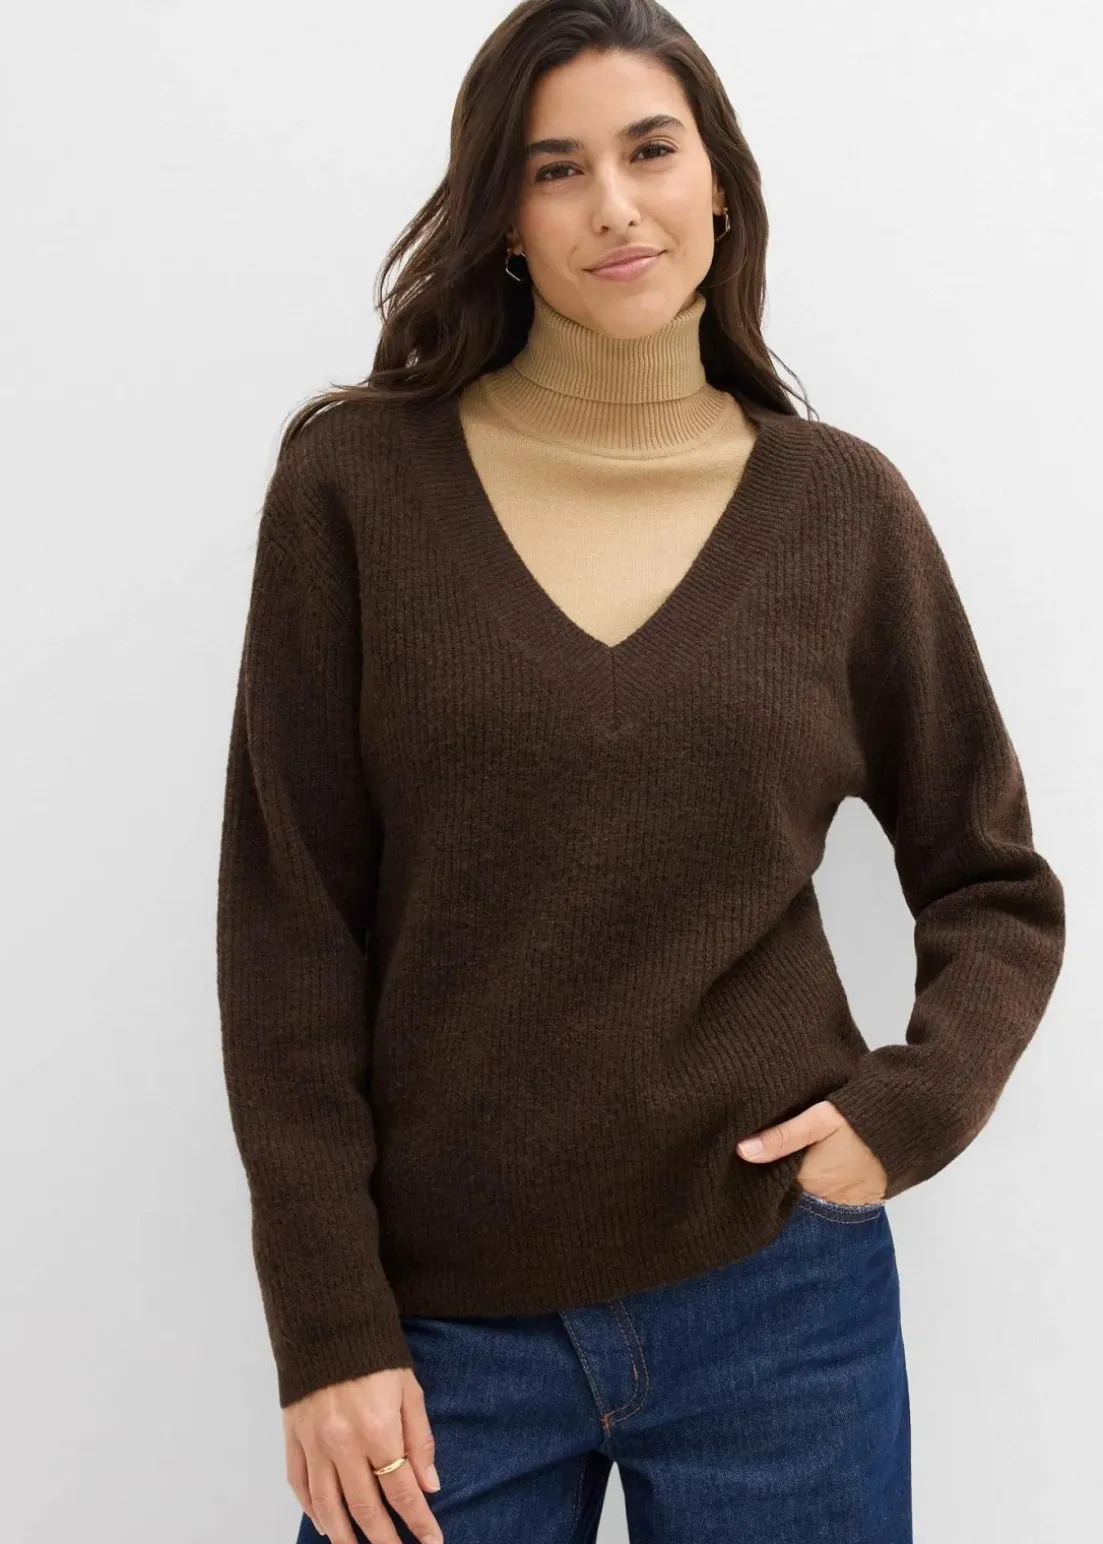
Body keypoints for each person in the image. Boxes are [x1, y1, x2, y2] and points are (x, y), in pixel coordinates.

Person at [215, 2, 1066, 1541]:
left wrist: (913, 1109)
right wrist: (327, 1324)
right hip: (439, 1331)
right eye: (556, 168)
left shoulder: (840, 514)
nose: (613, 204)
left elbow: (991, 881)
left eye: (649, 149)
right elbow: (288, 932)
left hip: (778, 1305)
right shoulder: (356, 489)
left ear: (717, 182)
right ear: (502, 218)